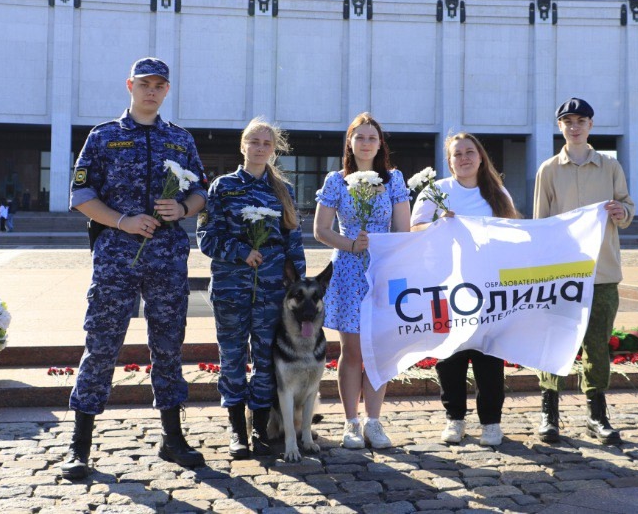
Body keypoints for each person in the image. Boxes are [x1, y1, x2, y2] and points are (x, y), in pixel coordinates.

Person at [59, 57, 209, 480]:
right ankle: (80, 446)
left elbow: (201, 190)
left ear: (167, 90)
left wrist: (183, 208)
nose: (152, 91)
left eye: (159, 85)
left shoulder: (179, 139)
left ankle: (172, 438)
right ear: (130, 85)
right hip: (116, 260)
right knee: (102, 345)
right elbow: (81, 196)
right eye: (145, 84)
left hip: (167, 259)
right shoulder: (104, 136)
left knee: (169, 346)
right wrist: (122, 221)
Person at [197, 117, 307, 459]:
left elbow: (293, 242)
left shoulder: (282, 190)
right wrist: (241, 251)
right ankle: (236, 430)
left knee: (265, 358)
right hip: (231, 287)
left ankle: (259, 427)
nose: (260, 148)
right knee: (232, 357)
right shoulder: (222, 187)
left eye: (266, 143)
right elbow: (206, 237)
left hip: (272, 290)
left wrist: (300, 287)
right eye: (254, 142)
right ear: (242, 146)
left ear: (273, 150)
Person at [532, 97, 634, 446]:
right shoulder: (548, 170)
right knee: (554, 342)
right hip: (562, 276)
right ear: (560, 126)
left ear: (591, 125)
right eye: (568, 121)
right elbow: (541, 224)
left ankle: (596, 415)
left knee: (597, 346)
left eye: (581, 121)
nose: (574, 127)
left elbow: (627, 205)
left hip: (602, 272)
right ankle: (549, 412)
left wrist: (622, 211)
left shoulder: (610, 166)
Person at [411, 132, 521, 447]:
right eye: (457, 154)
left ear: (480, 157)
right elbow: (414, 229)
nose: (464, 158)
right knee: (450, 356)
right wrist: (439, 224)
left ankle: (491, 423)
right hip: (444, 286)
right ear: (449, 162)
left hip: (488, 287)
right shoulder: (436, 192)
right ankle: (454, 419)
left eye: (469, 152)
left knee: (489, 357)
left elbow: (511, 235)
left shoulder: (497, 193)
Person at [313, 112, 410, 449]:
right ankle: (351, 422)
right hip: (348, 271)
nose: (366, 143)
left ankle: (374, 421)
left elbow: (403, 230)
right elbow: (321, 230)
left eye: (372, 137)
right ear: (350, 142)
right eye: (360, 137)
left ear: (380, 144)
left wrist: (382, 249)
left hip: (384, 271)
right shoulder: (336, 181)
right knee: (352, 350)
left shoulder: (394, 180)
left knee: (379, 350)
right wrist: (351, 244)